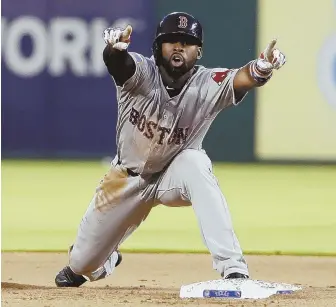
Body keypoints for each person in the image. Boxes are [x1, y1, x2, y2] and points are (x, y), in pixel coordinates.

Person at [55, 12, 286, 287]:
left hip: (172, 176)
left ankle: (234, 271)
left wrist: (261, 68)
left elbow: (243, 77)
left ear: (198, 51)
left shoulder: (208, 83)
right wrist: (113, 50)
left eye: (187, 42)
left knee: (196, 163)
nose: (179, 47)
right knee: (81, 264)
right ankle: (105, 259)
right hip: (125, 180)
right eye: (172, 41)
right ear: (158, 46)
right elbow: (120, 65)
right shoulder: (142, 72)